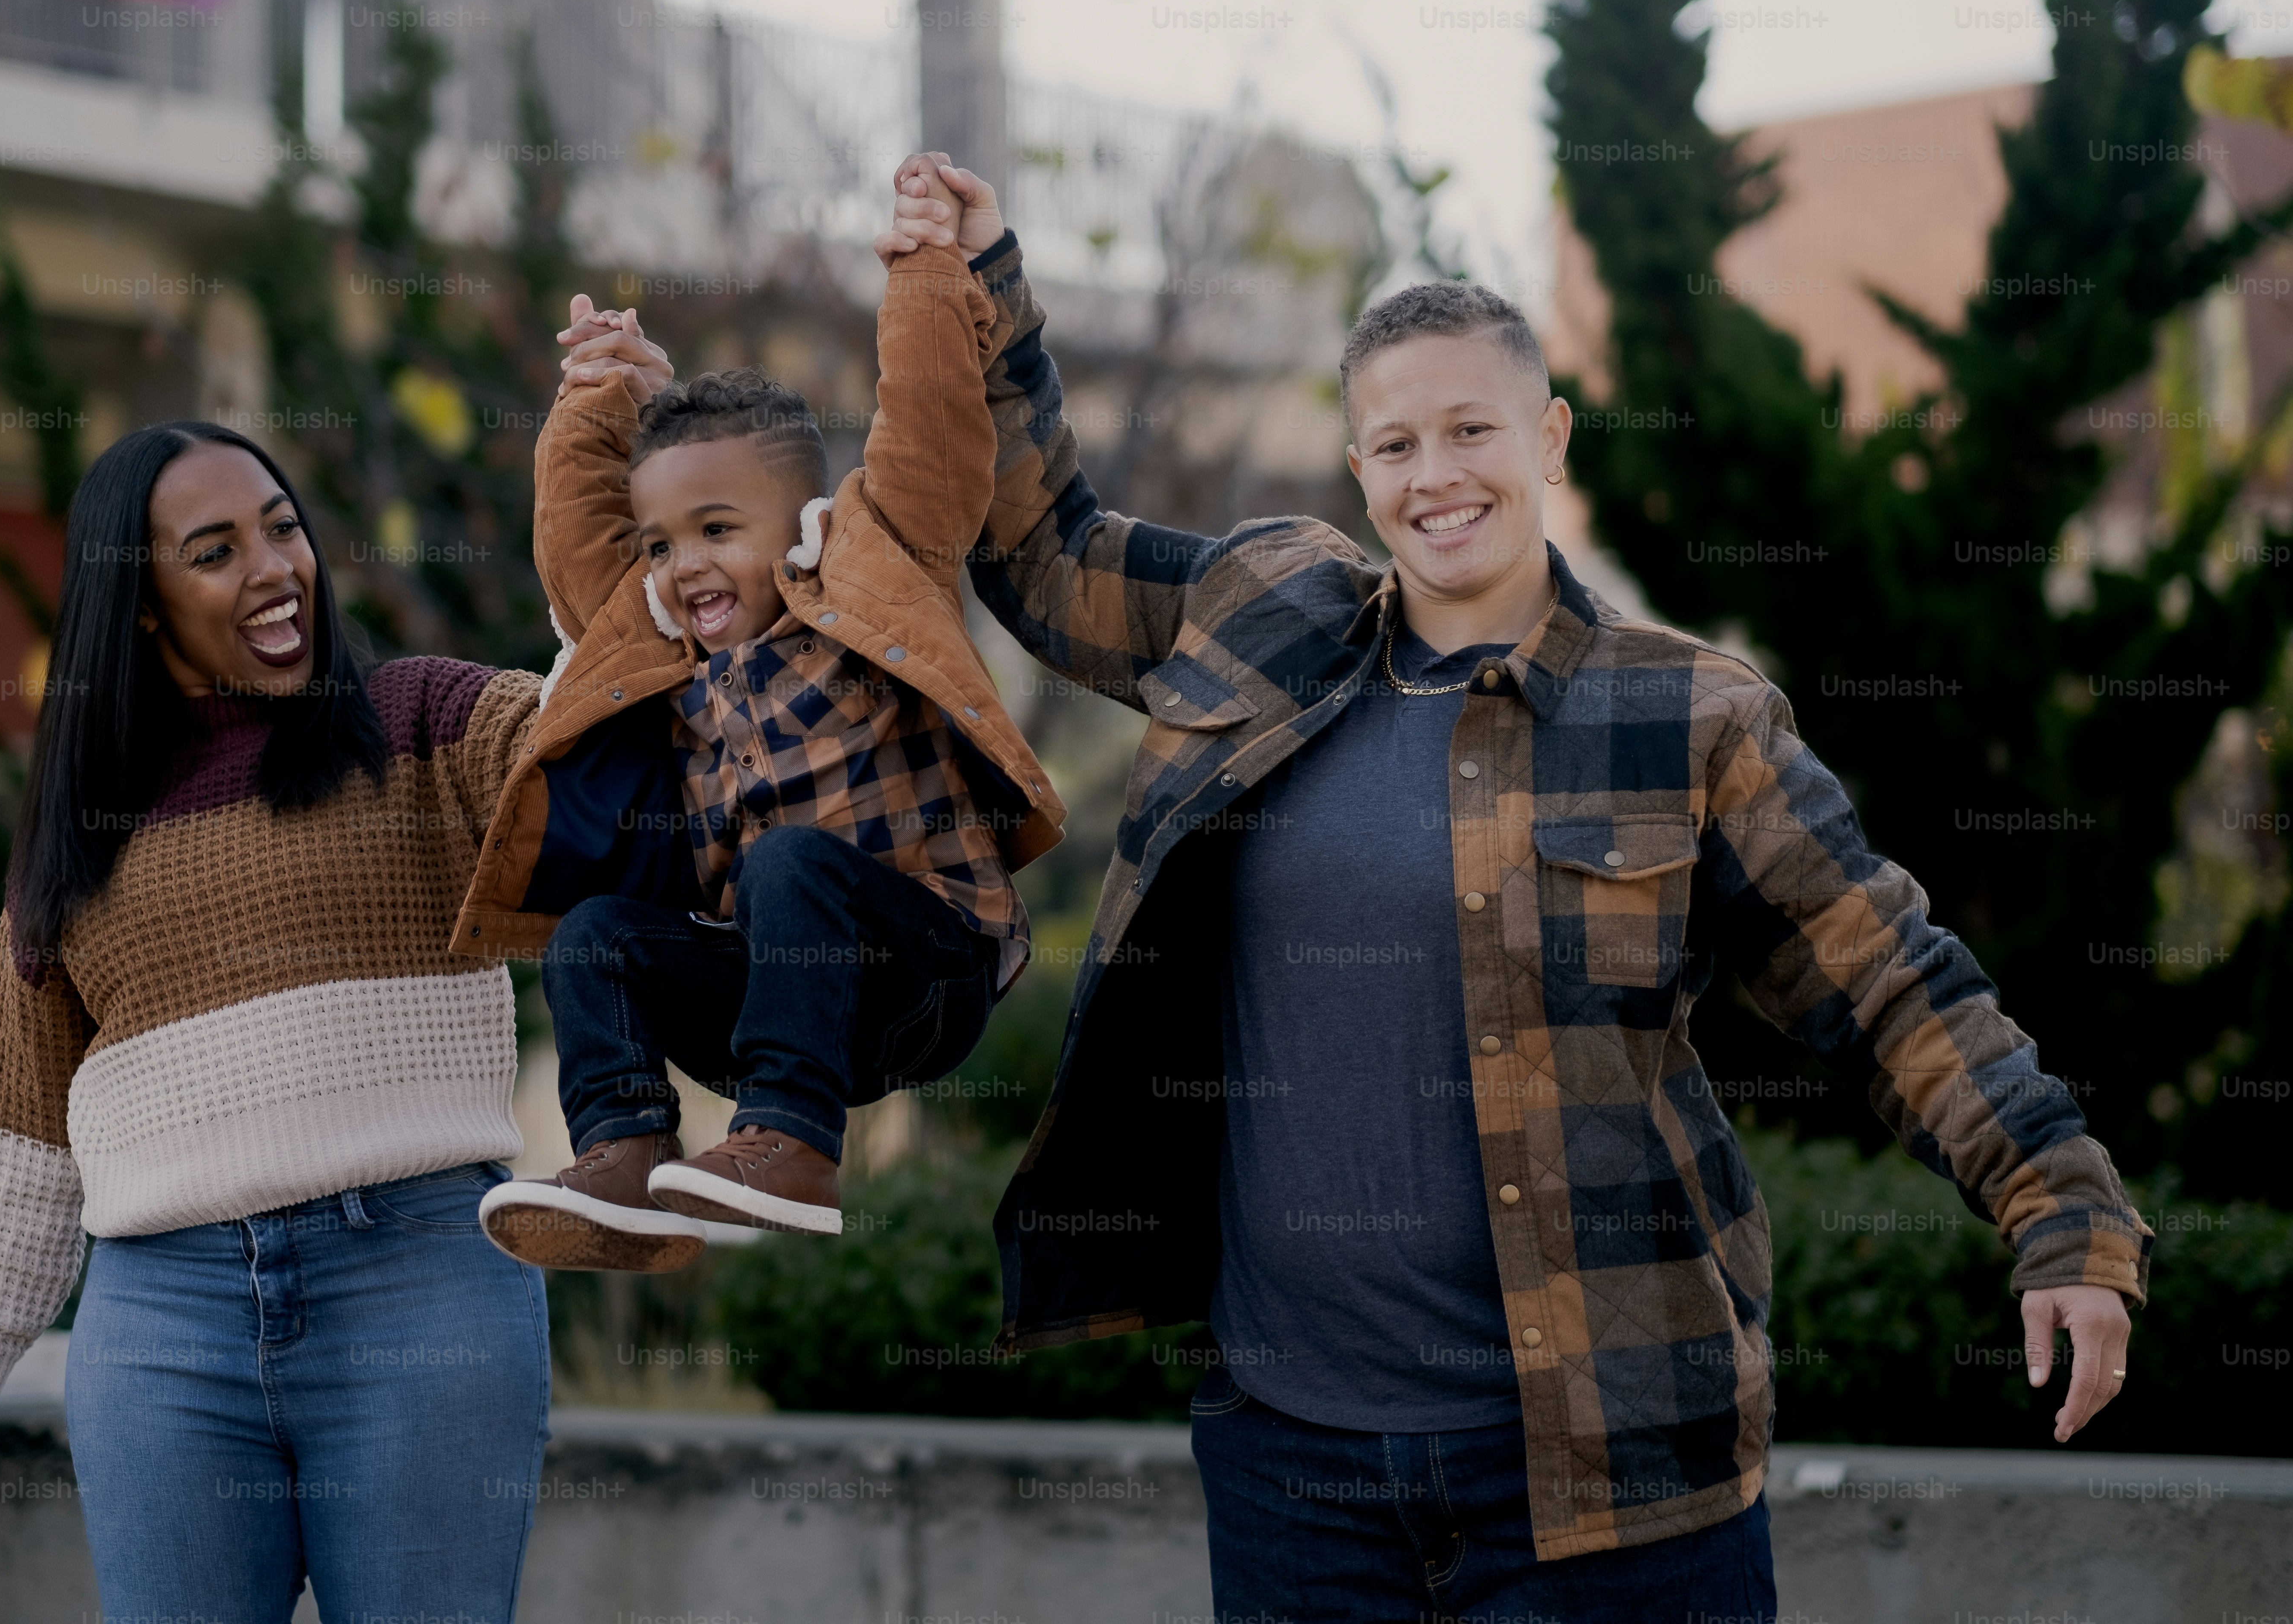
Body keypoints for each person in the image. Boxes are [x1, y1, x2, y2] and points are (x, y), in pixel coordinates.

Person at [881, 158, 2151, 1622]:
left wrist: (2059, 1209)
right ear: (1360, 469)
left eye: (1472, 429)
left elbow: (1888, 981)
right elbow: (1044, 557)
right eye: (1397, 445)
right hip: (1295, 1474)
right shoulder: (1256, 610)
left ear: (1547, 433)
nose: (1437, 479)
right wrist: (982, 283)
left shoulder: (1685, 715)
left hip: (1612, 1481)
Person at [0, 423, 560, 1620]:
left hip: (419, 1291)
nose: (275, 568)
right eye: (216, 551)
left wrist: (605, 482)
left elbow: (582, 742)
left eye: (283, 529)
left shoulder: (423, 721)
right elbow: (20, 1156)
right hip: (162, 1331)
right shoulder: (77, 838)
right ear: (139, 604)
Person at [472, 168, 1064, 1266]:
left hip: (926, 965)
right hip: (776, 998)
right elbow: (578, 562)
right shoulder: (662, 648)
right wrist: (604, 401)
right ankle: (626, 1159)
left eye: (716, 529)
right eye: (663, 542)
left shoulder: (873, 568)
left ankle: (793, 1145)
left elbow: (931, 433)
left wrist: (929, 271)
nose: (684, 563)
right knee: (597, 930)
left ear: (803, 517)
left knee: (793, 862)